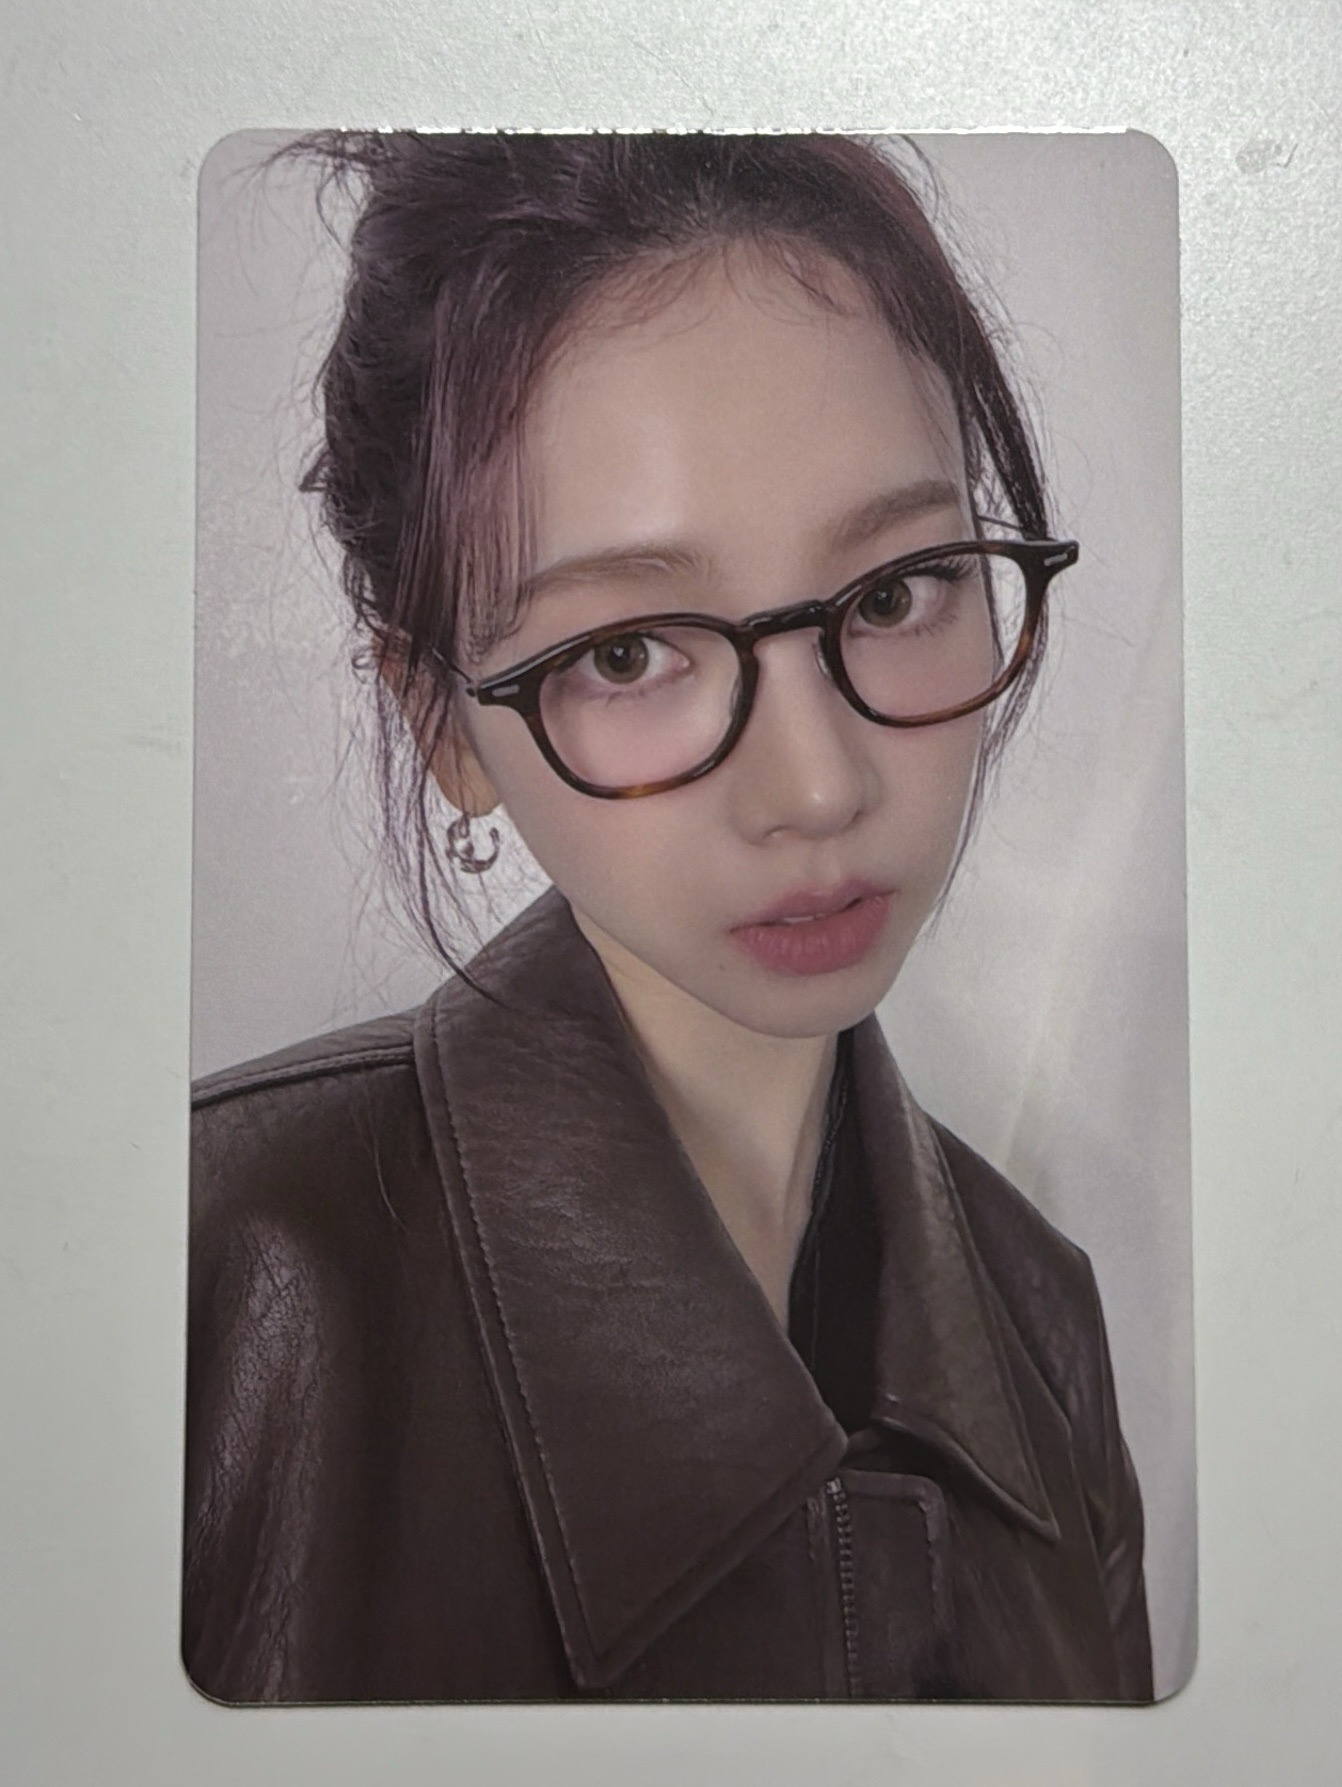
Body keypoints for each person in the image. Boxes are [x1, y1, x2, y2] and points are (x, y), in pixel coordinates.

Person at [183, 132, 1154, 1704]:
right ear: (439, 718)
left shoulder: (1041, 1324)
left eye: (895, 592)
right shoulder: (214, 1275)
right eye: (627, 653)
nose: (817, 785)